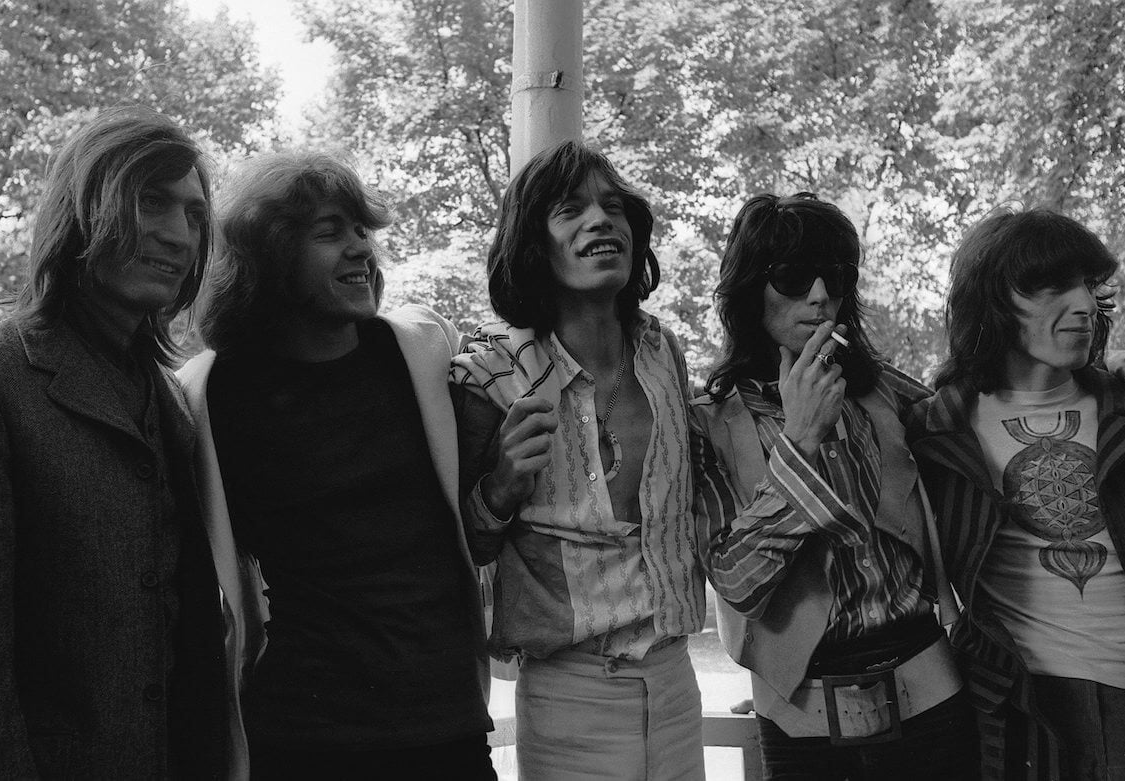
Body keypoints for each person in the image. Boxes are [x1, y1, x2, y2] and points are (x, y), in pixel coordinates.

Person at [0, 106, 228, 778]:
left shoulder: (175, 402)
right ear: (84, 210)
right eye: (151, 202)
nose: (179, 235)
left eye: (195, 215)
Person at [177, 151, 496, 779]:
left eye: (361, 231)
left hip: (448, 723)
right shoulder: (207, 395)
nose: (359, 248)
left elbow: (476, 519)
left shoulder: (422, 349)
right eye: (330, 233)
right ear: (271, 255)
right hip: (305, 737)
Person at [691, 192, 978, 779]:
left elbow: (993, 423)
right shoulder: (710, 422)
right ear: (749, 290)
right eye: (793, 277)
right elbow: (735, 582)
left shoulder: (884, 392)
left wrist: (1109, 378)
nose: (819, 295)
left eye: (837, 278)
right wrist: (798, 445)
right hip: (800, 715)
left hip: (931, 688)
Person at [449, 141, 706, 780]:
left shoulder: (662, 353)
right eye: (571, 210)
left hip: (675, 681)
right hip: (567, 695)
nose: (601, 221)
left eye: (613, 207)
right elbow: (466, 548)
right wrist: (502, 485)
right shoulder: (490, 377)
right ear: (533, 244)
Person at [908, 208, 1125, 780]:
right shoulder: (935, 431)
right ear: (992, 301)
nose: (1085, 305)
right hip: (1017, 708)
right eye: (1051, 287)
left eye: (1089, 285)